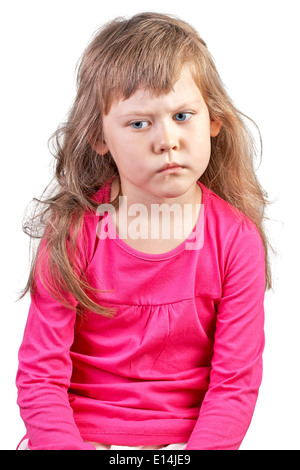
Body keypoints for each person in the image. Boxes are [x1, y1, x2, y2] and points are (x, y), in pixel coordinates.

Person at [16, 12, 271, 450]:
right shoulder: (75, 231)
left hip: (191, 441)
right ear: (100, 137)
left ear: (213, 120)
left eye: (183, 115)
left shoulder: (236, 240)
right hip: (81, 435)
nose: (167, 139)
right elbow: (41, 377)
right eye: (139, 123)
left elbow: (234, 387)